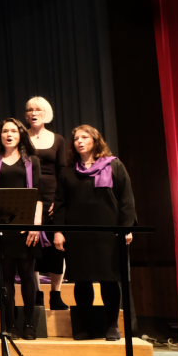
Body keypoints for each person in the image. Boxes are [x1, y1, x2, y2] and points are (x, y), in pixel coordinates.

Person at [53, 125, 136, 341]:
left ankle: (112, 326)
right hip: (78, 234)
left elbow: (126, 200)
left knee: (110, 280)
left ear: (95, 140)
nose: (79, 141)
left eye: (84, 137)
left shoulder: (114, 165)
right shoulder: (68, 171)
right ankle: (86, 327)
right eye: (76, 139)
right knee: (82, 281)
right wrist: (58, 231)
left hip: (108, 233)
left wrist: (126, 228)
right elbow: (60, 204)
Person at [0, 118, 46, 340]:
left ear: (20, 135)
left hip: (26, 226)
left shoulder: (31, 161)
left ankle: (29, 324)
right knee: (4, 279)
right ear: (0, 135)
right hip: (0, 226)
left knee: (27, 276)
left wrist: (35, 225)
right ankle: (10, 325)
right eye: (5, 131)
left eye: (14, 131)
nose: (9, 135)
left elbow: (38, 195)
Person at [25, 96, 69, 311]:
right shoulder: (22, 138)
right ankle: (37, 293)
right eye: (30, 110)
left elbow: (63, 172)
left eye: (38, 110)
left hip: (52, 198)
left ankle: (56, 294)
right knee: (32, 248)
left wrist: (58, 200)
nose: (33, 113)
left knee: (55, 248)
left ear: (46, 113)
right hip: (30, 198)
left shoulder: (58, 140)